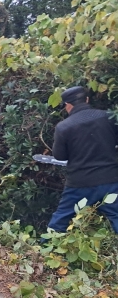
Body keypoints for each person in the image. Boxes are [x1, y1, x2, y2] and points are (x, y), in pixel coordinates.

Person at [48, 86, 118, 232]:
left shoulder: (64, 127)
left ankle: (44, 250)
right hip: (110, 180)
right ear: (86, 99)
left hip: (80, 183)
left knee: (61, 219)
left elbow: (60, 156)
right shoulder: (109, 117)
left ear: (68, 105)